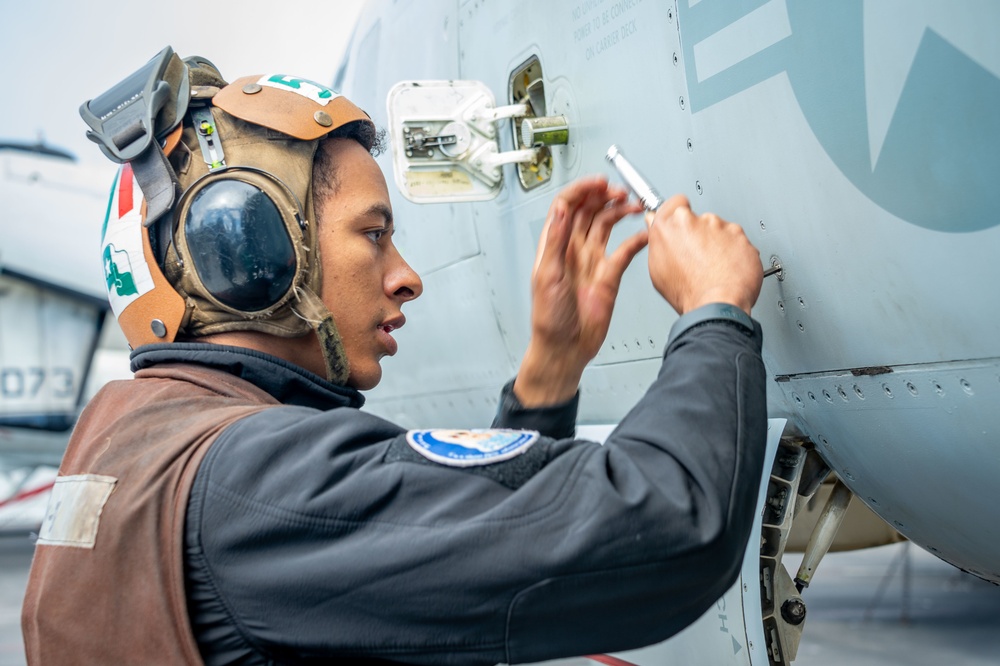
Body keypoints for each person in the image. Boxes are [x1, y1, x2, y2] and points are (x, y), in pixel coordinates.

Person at [22, 48, 766, 665]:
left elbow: (452, 552)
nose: (406, 274)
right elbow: (673, 525)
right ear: (250, 249)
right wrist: (713, 311)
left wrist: (548, 375)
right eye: (374, 234)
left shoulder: (131, 430)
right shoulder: (261, 484)